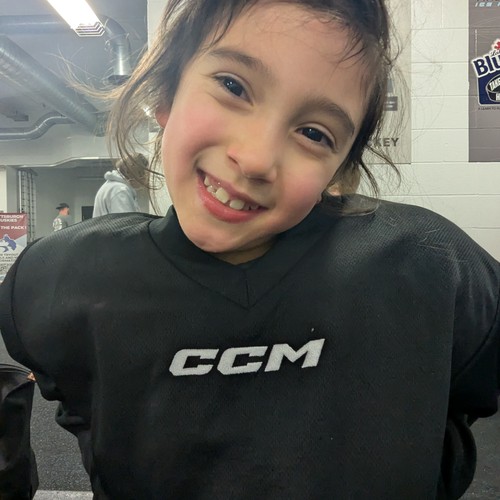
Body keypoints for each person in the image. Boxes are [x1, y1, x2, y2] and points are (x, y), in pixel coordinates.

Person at [0, 1, 498, 499]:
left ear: (339, 167)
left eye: (313, 134)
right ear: (165, 96)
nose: (256, 159)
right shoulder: (58, 280)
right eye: (233, 87)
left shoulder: (430, 267)